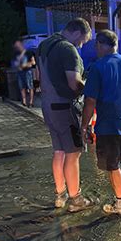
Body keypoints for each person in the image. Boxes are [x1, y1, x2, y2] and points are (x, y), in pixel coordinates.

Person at [81, 30, 121, 215]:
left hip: (108, 125)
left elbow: (90, 101)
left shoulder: (98, 67)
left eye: (96, 45)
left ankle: (120, 204)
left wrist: (84, 126)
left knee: (113, 165)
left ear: (100, 44)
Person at [37, 18, 92, 212]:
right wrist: (90, 88)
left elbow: (40, 77)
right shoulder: (68, 49)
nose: (82, 45)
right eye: (83, 40)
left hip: (47, 105)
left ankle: (60, 195)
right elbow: (74, 83)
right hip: (64, 108)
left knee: (59, 151)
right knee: (73, 153)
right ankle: (76, 199)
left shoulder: (44, 45)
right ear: (77, 33)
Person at [12, 40, 36, 107]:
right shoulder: (16, 54)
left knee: (30, 86)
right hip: (20, 71)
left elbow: (33, 62)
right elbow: (15, 63)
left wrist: (26, 64)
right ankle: (24, 101)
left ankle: (31, 102)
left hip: (28, 71)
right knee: (22, 87)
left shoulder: (28, 52)